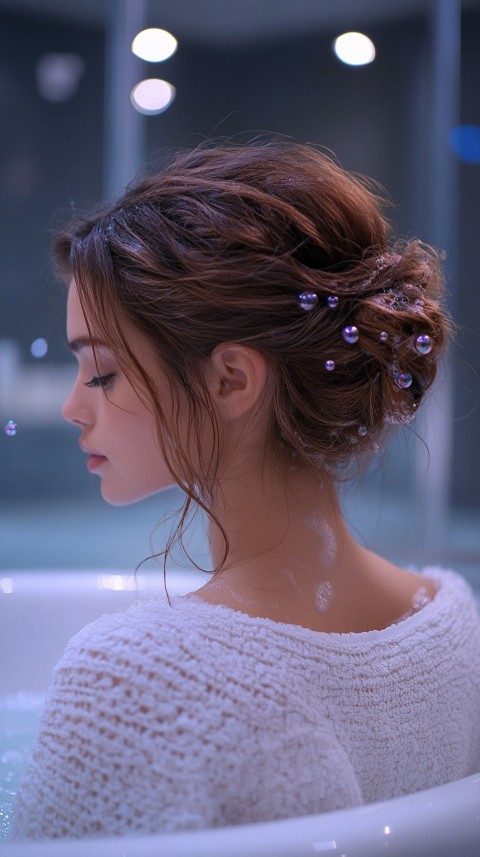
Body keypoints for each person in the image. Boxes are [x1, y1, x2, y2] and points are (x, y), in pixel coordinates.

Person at [12, 142, 480, 841]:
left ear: (232, 379)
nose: (76, 407)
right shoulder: (453, 624)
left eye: (102, 371)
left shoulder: (135, 682)